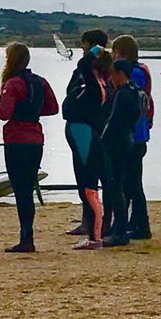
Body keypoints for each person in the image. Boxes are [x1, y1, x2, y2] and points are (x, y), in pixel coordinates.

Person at [0, 43, 59, 253]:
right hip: (35, 138)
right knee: (28, 188)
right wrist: (33, 110)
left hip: (16, 140)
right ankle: (27, 235)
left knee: (20, 190)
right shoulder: (41, 82)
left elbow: (3, 113)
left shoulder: (12, 84)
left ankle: (26, 238)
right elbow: (53, 108)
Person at [62, 30, 109, 245]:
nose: (82, 49)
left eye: (85, 45)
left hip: (85, 132)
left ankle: (94, 232)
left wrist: (95, 50)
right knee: (86, 181)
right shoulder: (96, 80)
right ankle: (91, 225)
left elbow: (83, 65)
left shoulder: (94, 80)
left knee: (88, 182)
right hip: (81, 132)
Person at [111, 35, 154, 240]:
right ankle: (133, 222)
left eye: (115, 53)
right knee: (132, 183)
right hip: (139, 132)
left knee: (132, 184)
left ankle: (141, 225)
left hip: (134, 135)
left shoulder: (134, 74)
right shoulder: (140, 71)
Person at [101, 60, 146, 247]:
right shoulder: (136, 91)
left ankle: (119, 231)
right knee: (124, 185)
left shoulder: (122, 93)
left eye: (113, 74)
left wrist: (103, 141)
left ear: (120, 73)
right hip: (129, 138)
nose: (111, 78)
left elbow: (114, 120)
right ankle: (122, 228)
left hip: (118, 142)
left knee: (116, 186)